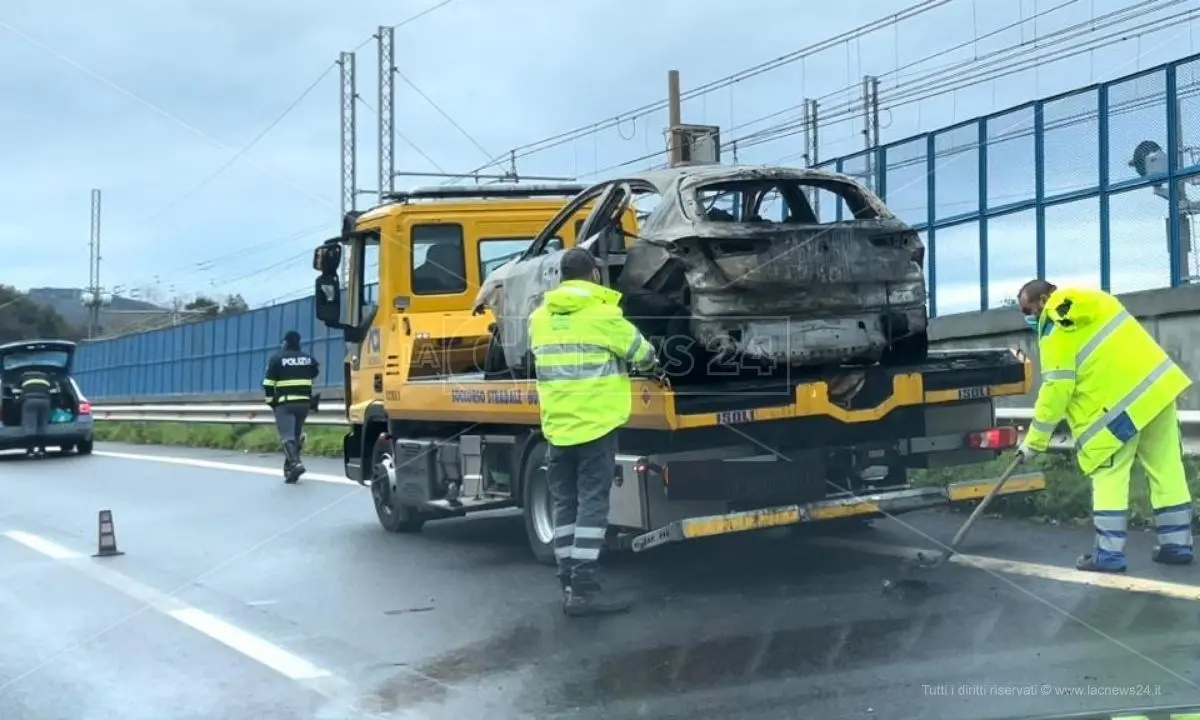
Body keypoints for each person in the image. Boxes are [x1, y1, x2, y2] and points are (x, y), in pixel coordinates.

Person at [1016, 279, 1193, 573]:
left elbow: (1057, 389)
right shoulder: (1099, 300)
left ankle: (1108, 555)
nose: (1029, 317)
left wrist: (1034, 441)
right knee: (1167, 470)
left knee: (1109, 475)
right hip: (1156, 391)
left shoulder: (1054, 326)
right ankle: (1178, 546)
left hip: (1116, 412)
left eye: (1029, 309)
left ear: (1046, 298)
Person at [528, 247, 659, 617]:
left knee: (565, 506)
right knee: (593, 506)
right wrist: (652, 362)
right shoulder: (602, 315)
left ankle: (569, 582)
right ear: (595, 275)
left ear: (561, 277)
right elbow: (642, 353)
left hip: (557, 427)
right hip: (597, 425)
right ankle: (585, 590)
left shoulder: (539, 319)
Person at [262, 330, 320, 483]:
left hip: (285, 403)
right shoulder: (309, 358)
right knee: (296, 433)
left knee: (287, 435)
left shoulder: (277, 358)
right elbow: (314, 373)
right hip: (304, 403)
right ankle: (290, 465)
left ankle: (295, 463)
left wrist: (270, 401)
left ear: (286, 342)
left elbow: (268, 384)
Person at [18, 369, 53, 457]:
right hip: (45, 401)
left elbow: (17, 391)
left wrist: (17, 401)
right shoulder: (46, 377)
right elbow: (53, 390)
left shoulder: (24, 377)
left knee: (30, 426)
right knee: (42, 425)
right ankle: (42, 450)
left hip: (30, 401)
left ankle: (30, 450)